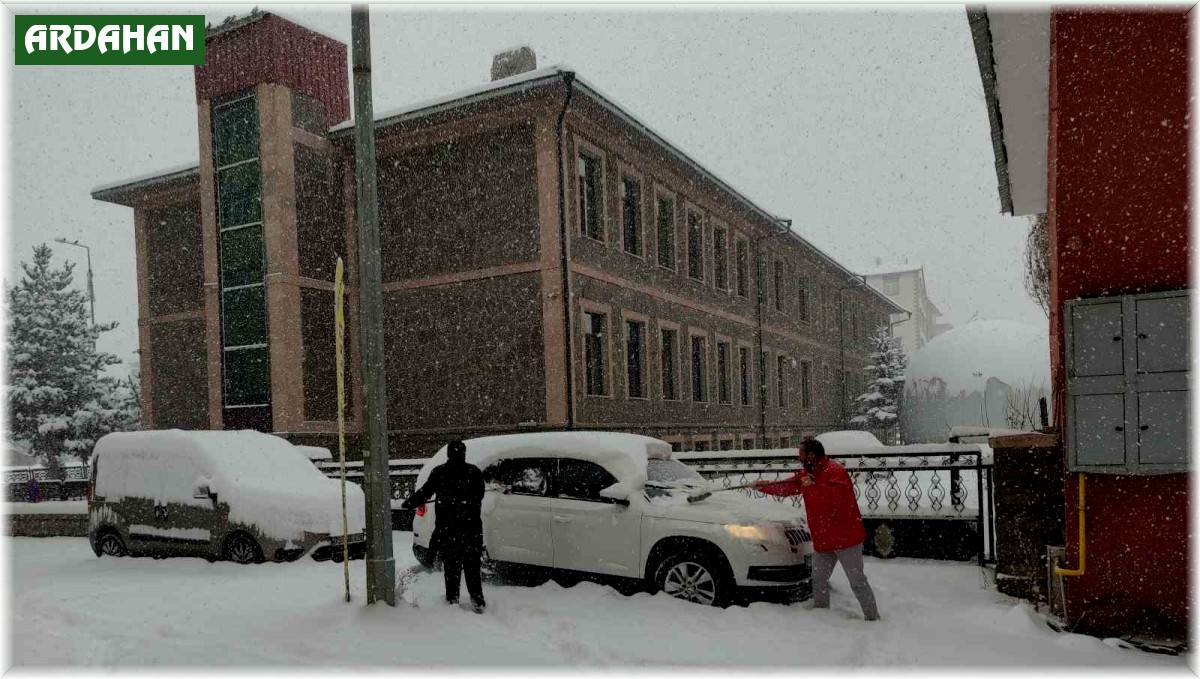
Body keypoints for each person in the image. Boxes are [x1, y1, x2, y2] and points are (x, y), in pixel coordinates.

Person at [752, 438, 879, 621]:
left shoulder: (835, 471)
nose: (799, 457)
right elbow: (790, 486)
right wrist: (765, 486)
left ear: (811, 455)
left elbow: (836, 502)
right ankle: (822, 615)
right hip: (824, 539)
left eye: (801, 454)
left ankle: (873, 618)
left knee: (857, 581)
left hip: (846, 539)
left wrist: (811, 486)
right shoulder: (808, 473)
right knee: (818, 578)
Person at [401, 440, 487, 613]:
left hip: (449, 530)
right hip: (471, 529)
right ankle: (477, 600)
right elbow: (480, 495)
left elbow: (425, 492)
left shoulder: (440, 472)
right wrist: (465, 504)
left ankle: (452, 600)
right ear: (464, 453)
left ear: (448, 454)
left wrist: (408, 503)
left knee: (452, 568)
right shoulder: (474, 472)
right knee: (472, 568)